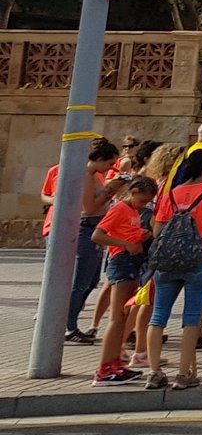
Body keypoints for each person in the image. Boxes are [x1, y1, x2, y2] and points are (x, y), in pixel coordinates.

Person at [147, 148, 202, 391]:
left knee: (158, 315)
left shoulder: (173, 193)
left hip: (168, 260)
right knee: (191, 318)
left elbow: (157, 229)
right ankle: (184, 373)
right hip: (198, 258)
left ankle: (154, 372)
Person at [50, 136, 120, 344]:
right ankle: (68, 325)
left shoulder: (93, 175)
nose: (110, 167)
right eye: (108, 163)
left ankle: (71, 321)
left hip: (93, 229)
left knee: (90, 281)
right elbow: (88, 207)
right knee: (80, 281)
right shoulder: (86, 175)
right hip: (85, 229)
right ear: (98, 159)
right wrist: (111, 190)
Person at [92, 174, 156, 384]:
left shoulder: (133, 211)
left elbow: (127, 231)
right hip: (121, 262)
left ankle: (116, 363)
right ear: (133, 192)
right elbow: (98, 234)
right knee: (117, 317)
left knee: (123, 315)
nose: (143, 205)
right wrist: (125, 243)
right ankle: (104, 368)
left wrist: (140, 235)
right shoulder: (120, 208)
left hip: (131, 261)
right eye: (142, 200)